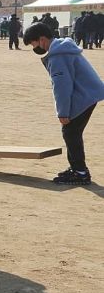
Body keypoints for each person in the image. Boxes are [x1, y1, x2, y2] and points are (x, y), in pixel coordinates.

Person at [23, 22, 104, 184]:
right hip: (89, 93)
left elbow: (62, 87)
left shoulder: (58, 56)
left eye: (33, 44)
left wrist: (63, 113)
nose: (34, 48)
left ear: (42, 39)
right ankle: (76, 168)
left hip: (85, 96)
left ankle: (80, 172)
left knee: (70, 132)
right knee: (72, 132)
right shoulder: (62, 48)